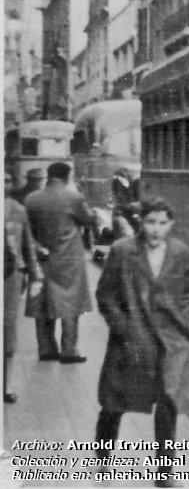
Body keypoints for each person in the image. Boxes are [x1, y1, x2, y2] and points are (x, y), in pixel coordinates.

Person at [94, 197, 189, 488]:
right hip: (132, 338)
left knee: (168, 400)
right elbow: (106, 295)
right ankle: (103, 457)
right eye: (151, 222)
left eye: (163, 223)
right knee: (115, 401)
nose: (156, 229)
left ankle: (164, 472)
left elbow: (188, 292)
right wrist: (123, 328)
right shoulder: (122, 251)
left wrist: (184, 323)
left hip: (169, 340)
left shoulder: (181, 253)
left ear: (171, 224)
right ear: (141, 221)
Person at [24, 161, 97, 363]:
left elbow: (27, 230)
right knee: (71, 303)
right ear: (67, 176)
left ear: (48, 176)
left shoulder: (31, 199)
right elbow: (88, 220)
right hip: (69, 258)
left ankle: (46, 349)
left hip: (42, 258)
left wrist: (38, 248)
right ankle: (69, 350)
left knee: (43, 302)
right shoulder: (74, 197)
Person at [4, 172, 43, 403]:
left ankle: (6, 385)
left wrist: (36, 273)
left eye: (7, 180)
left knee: (8, 330)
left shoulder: (19, 210)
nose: (5, 184)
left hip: (11, 276)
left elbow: (27, 243)